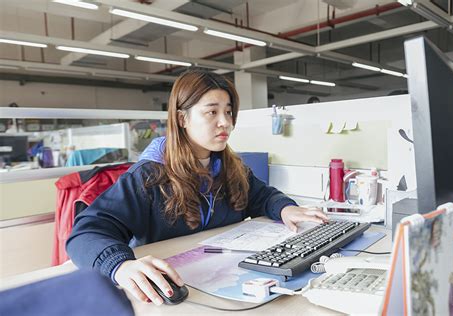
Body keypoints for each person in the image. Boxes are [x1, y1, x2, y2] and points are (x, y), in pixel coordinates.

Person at [66, 69, 328, 306]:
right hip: (177, 297)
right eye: (212, 112)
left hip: (224, 282)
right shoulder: (148, 176)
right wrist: (120, 265)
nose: (225, 122)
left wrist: (284, 208)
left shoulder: (229, 165)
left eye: (228, 111)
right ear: (182, 119)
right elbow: (85, 233)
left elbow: (260, 196)